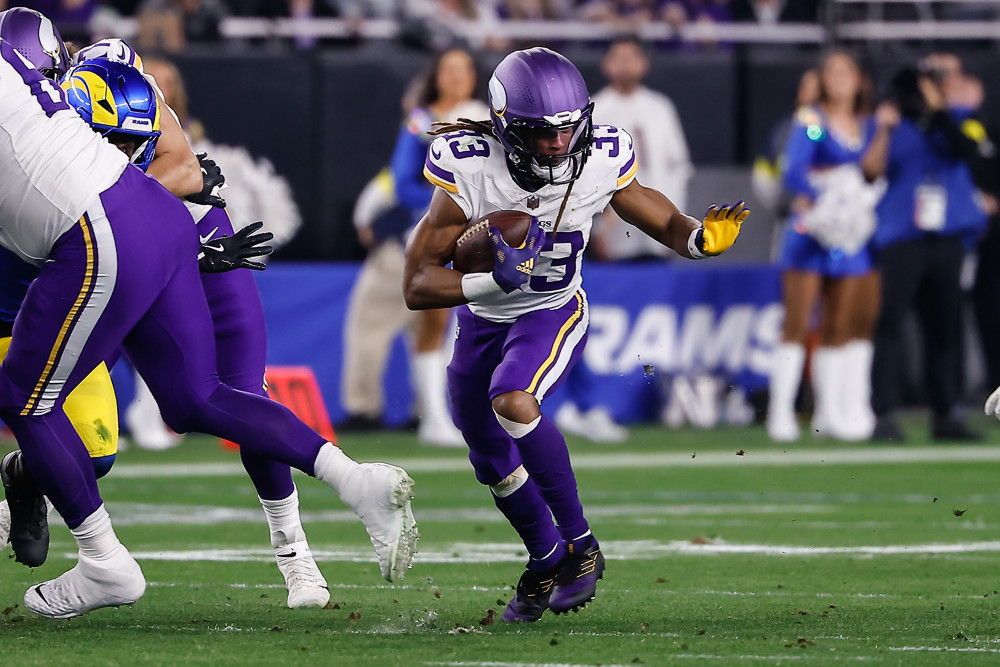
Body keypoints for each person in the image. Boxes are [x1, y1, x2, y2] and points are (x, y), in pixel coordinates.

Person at [0, 27, 415, 620]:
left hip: (125, 239)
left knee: (31, 396)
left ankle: (123, 560)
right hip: (145, 237)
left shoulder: (91, 82)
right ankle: (354, 481)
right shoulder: (48, 101)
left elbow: (184, 172)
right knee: (182, 400)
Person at [403, 47, 747, 621]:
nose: (558, 146)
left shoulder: (600, 155)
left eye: (567, 131)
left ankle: (581, 546)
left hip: (552, 310)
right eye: (541, 135)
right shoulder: (468, 166)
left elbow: (647, 209)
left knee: (513, 401)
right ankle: (544, 560)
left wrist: (695, 238)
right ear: (505, 126)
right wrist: (490, 280)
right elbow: (416, 284)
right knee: (486, 451)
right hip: (482, 321)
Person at [342, 47, 487, 446]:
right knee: (433, 326)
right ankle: (432, 419)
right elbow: (402, 181)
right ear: (437, 76)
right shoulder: (420, 121)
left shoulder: (487, 119)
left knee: (453, 331)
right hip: (429, 233)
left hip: (477, 238)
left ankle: (436, 415)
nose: (457, 77)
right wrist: (450, 203)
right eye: (449, 69)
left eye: (464, 69)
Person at [862, 55, 989, 442]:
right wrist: (885, 126)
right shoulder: (891, 123)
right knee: (890, 324)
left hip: (947, 236)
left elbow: (968, 150)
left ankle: (946, 411)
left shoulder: (958, 117)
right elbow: (870, 170)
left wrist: (939, 108)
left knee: (945, 327)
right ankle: (882, 412)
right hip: (902, 235)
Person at [766, 50, 881, 443]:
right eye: (831, 71)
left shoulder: (867, 125)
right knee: (797, 322)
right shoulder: (812, 120)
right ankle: (781, 411)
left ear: (860, 79)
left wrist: (856, 202)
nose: (839, 78)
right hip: (812, 229)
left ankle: (830, 411)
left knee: (840, 323)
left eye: (847, 70)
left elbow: (873, 172)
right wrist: (826, 195)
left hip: (849, 234)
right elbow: (793, 169)